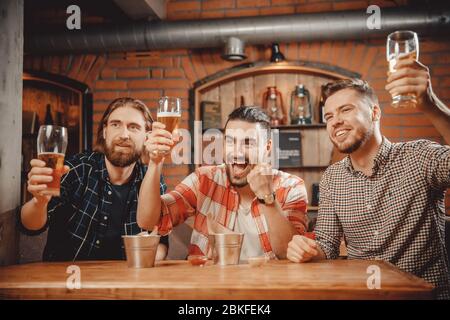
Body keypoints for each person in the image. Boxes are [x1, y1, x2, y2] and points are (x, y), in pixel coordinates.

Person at [286, 56, 450, 299]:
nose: (335, 121)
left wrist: (430, 103)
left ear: (374, 112)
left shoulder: (419, 157)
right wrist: (308, 251)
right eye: (329, 116)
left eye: (346, 110)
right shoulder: (333, 177)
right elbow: (328, 246)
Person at [137, 106, 308, 260]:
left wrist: (267, 197)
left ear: (268, 147)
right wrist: (155, 162)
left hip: (268, 288)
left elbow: (288, 252)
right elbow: (148, 221)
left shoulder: (291, 186)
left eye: (248, 143)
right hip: (210, 287)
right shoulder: (204, 179)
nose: (237, 152)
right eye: (230, 141)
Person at [20, 97, 169, 261]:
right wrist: (39, 202)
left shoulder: (152, 179)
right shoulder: (76, 170)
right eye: (115, 124)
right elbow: (30, 227)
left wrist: (146, 256)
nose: (124, 134)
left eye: (133, 127)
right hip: (67, 280)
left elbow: (161, 243)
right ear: (105, 132)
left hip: (126, 282)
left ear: (146, 137)